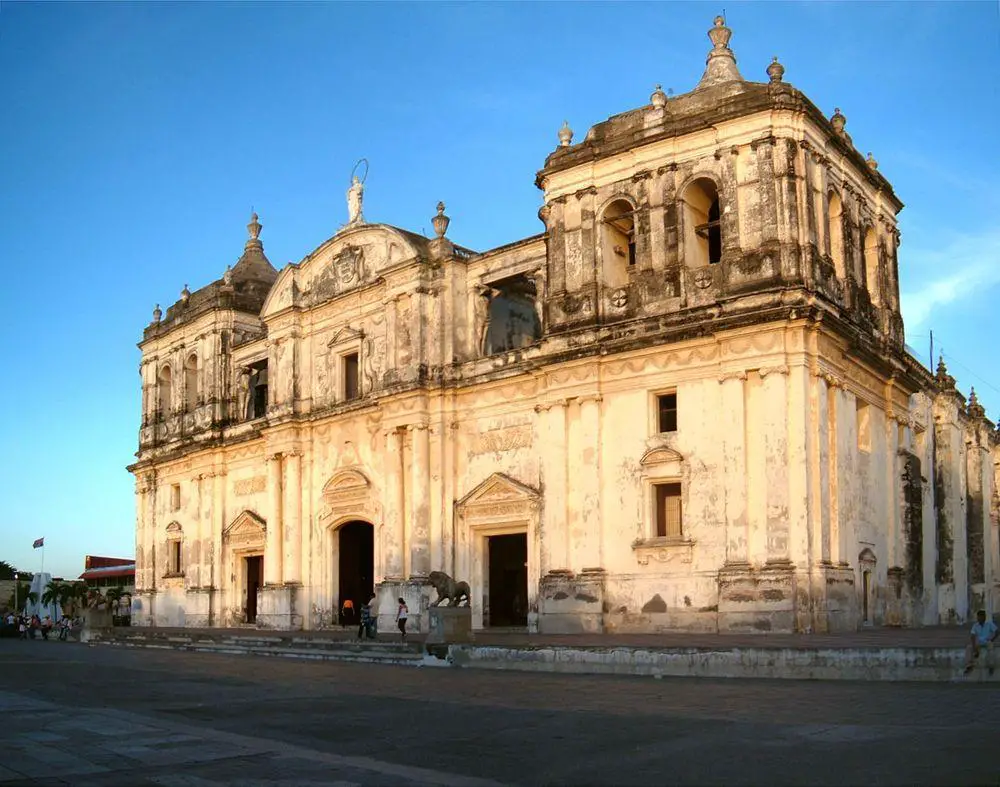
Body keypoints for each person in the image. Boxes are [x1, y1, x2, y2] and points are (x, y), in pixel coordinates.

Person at [964, 609, 998, 675]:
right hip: (979, 642)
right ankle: (969, 665)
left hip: (987, 641)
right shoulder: (975, 625)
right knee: (968, 648)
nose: (979, 619)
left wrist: (992, 639)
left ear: (984, 617)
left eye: (981, 617)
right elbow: (972, 636)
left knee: (991, 647)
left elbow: (997, 631)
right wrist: (974, 648)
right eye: (978, 617)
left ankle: (991, 666)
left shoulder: (989, 624)